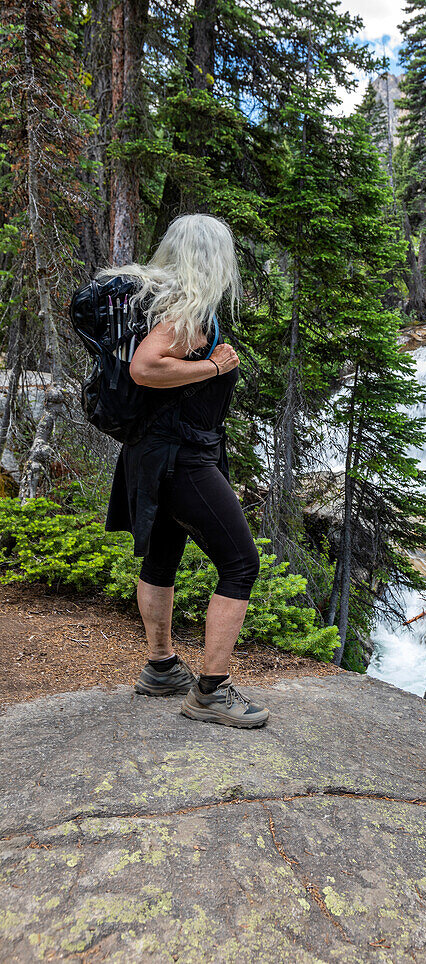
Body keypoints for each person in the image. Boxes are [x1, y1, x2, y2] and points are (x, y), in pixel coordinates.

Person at [101, 213, 269, 729]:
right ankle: (211, 692)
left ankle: (161, 667)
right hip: (181, 458)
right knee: (240, 564)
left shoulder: (155, 298)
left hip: (150, 454)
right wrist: (215, 367)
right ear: (215, 257)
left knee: (162, 557)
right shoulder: (187, 310)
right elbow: (146, 368)